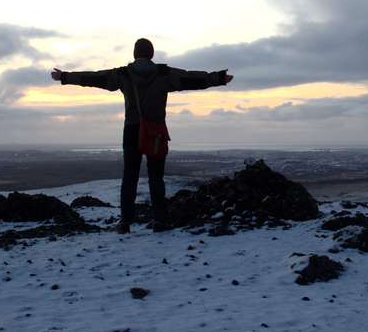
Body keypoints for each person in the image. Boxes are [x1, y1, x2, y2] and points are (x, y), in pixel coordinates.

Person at [50, 38, 233, 233]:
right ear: (151, 54)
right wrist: (218, 78)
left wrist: (65, 77)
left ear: (135, 54)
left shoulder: (123, 74)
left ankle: (125, 223)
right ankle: (160, 221)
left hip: (131, 130)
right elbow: (191, 78)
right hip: (155, 131)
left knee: (129, 177)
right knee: (156, 177)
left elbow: (95, 78)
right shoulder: (164, 74)